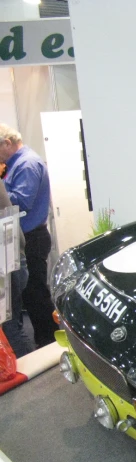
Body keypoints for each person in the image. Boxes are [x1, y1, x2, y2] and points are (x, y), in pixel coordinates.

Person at [0, 124, 58, 348]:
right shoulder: (13, 165)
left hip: (32, 237)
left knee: (36, 294)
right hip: (23, 237)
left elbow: (23, 201)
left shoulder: (27, 163)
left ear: (7, 143)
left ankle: (49, 342)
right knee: (29, 295)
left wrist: (3, 193)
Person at [0, 164, 34, 357]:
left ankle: (29, 379)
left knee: (10, 326)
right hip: (11, 255)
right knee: (12, 324)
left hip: (6, 258)